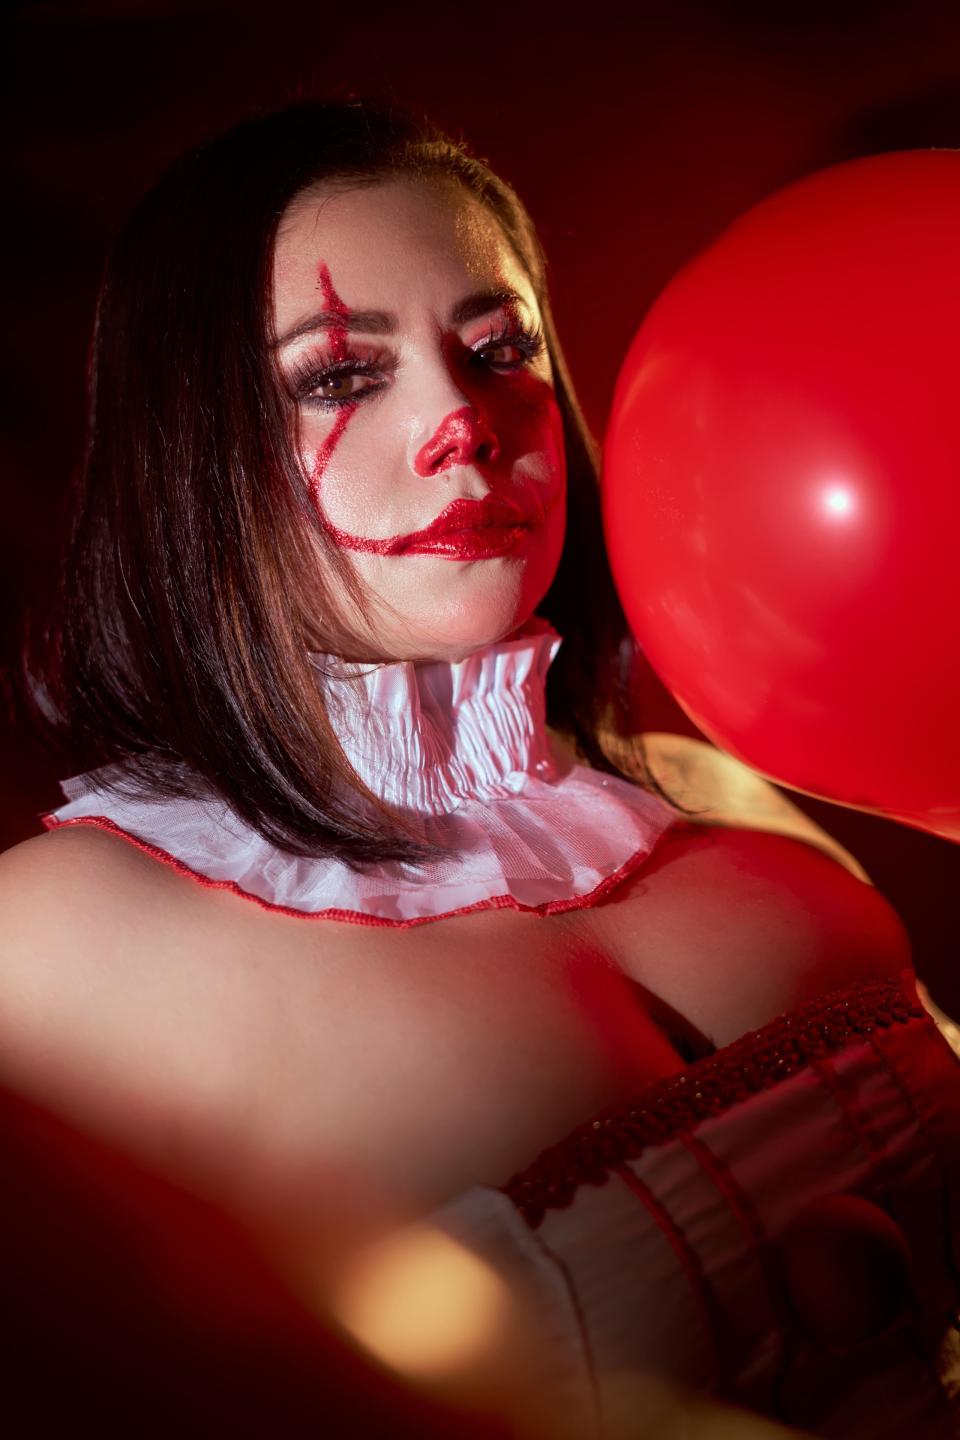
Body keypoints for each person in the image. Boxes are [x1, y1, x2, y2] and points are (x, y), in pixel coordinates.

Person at [1, 99, 957, 1436]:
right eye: (341, 375)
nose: (463, 420)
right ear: (185, 457)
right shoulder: (50, 947)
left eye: (501, 348)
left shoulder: (719, 792)